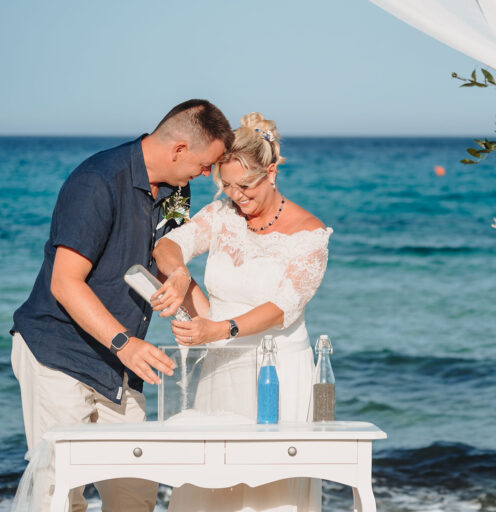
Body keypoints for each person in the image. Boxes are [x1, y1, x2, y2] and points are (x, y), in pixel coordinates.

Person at [10, 99, 233, 512]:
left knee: (135, 496)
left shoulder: (178, 189)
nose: (208, 175)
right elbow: (64, 282)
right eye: (206, 165)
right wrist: (125, 343)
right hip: (60, 356)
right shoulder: (97, 181)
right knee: (58, 495)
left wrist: (215, 326)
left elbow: (168, 251)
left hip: (120, 367)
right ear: (179, 149)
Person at [152, 112, 332, 512]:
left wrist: (217, 330)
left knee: (271, 495)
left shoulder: (309, 234)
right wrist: (181, 277)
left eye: (246, 185)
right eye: (228, 186)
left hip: (278, 373)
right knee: (213, 487)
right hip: (220, 366)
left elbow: (283, 308)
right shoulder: (221, 218)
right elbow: (167, 246)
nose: (238, 196)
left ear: (271, 172)